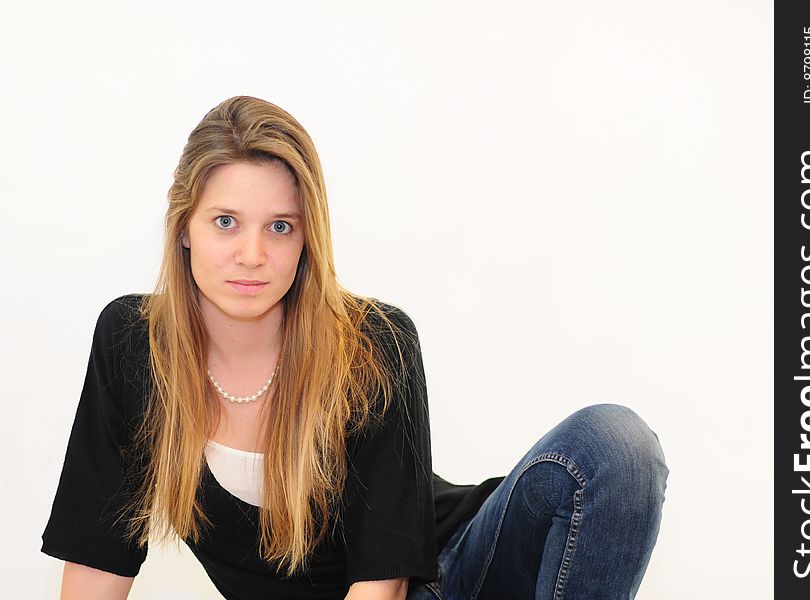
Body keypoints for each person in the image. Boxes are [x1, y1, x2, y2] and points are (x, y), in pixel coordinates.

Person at [41, 95, 669, 600]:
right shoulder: (134, 346)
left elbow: (383, 583)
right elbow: (97, 564)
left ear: (307, 239)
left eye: (280, 227)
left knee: (615, 445)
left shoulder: (375, 343)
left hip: (454, 571)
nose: (252, 255)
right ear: (184, 228)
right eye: (225, 221)